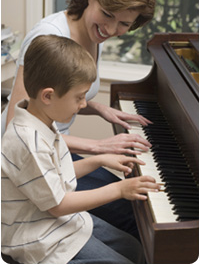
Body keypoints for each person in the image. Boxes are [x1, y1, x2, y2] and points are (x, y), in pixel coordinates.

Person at [1, 0, 156, 236]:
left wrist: (97, 108)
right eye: (107, 14)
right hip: (28, 159)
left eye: (124, 24)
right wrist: (98, 147)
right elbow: (18, 124)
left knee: (135, 208)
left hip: (56, 152)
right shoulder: (49, 36)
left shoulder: (95, 31)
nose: (110, 28)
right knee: (135, 215)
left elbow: (57, 97)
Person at [1, 35, 160, 264]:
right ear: (48, 96)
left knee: (135, 248)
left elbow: (55, 177)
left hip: (60, 223)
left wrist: (99, 160)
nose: (84, 104)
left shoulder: (41, 120)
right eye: (79, 97)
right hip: (42, 240)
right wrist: (119, 189)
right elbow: (58, 205)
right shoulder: (28, 140)